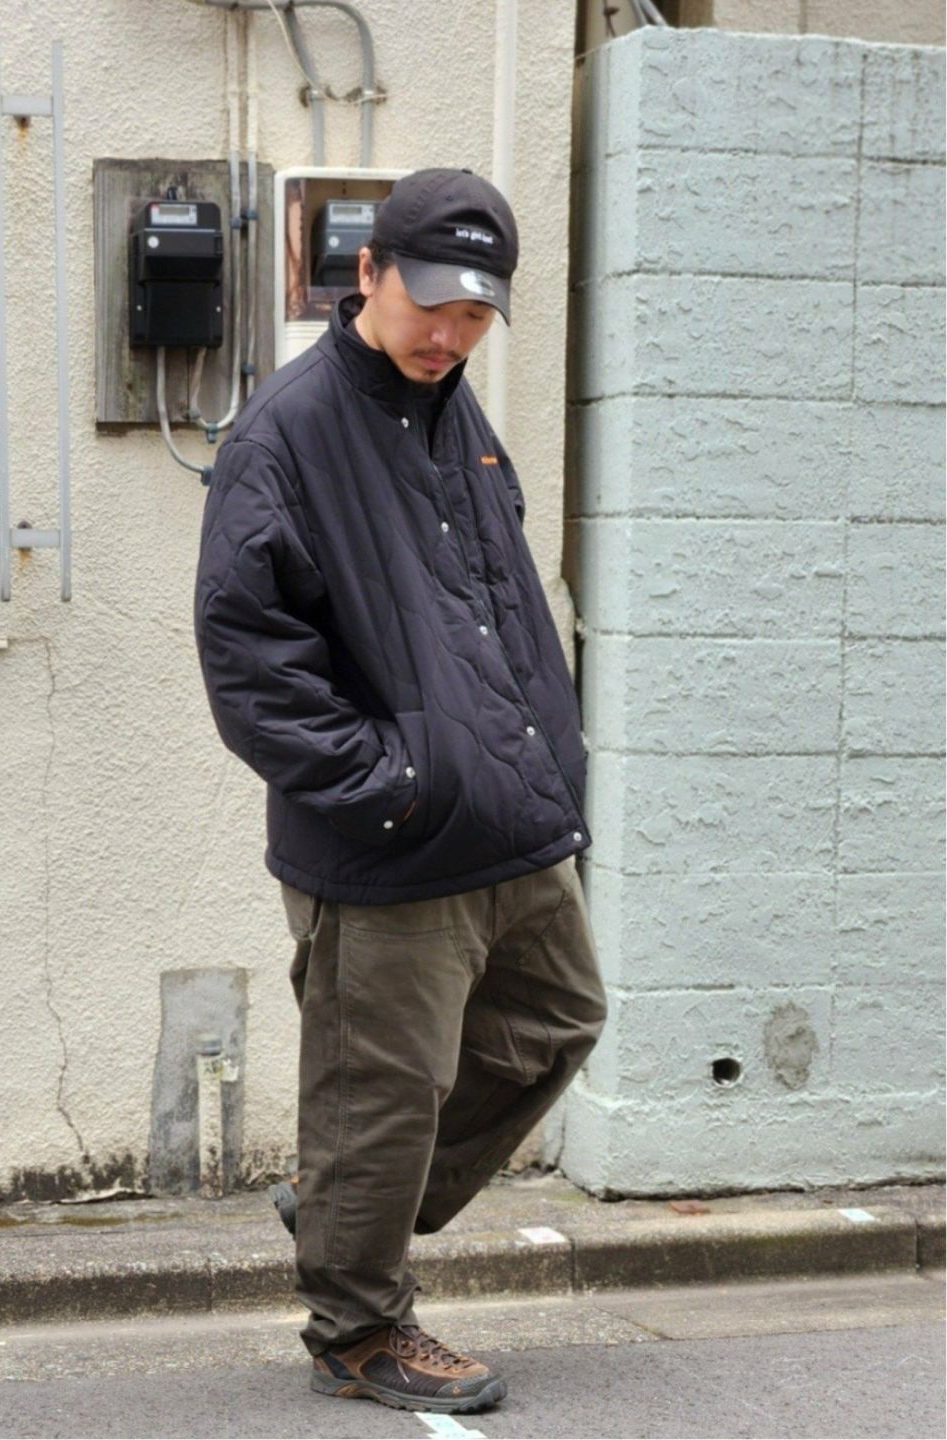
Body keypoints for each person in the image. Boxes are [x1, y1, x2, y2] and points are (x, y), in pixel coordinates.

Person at [193, 167, 607, 1415]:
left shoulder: (456, 416)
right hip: (391, 835)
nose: (449, 334)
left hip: (509, 817)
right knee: (384, 1094)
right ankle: (360, 1328)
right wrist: (391, 786)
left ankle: (342, 1208)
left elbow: (494, 610)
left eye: (476, 314)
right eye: (431, 304)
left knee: (558, 1018)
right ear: (366, 274)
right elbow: (250, 663)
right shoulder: (285, 434)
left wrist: (546, 762)